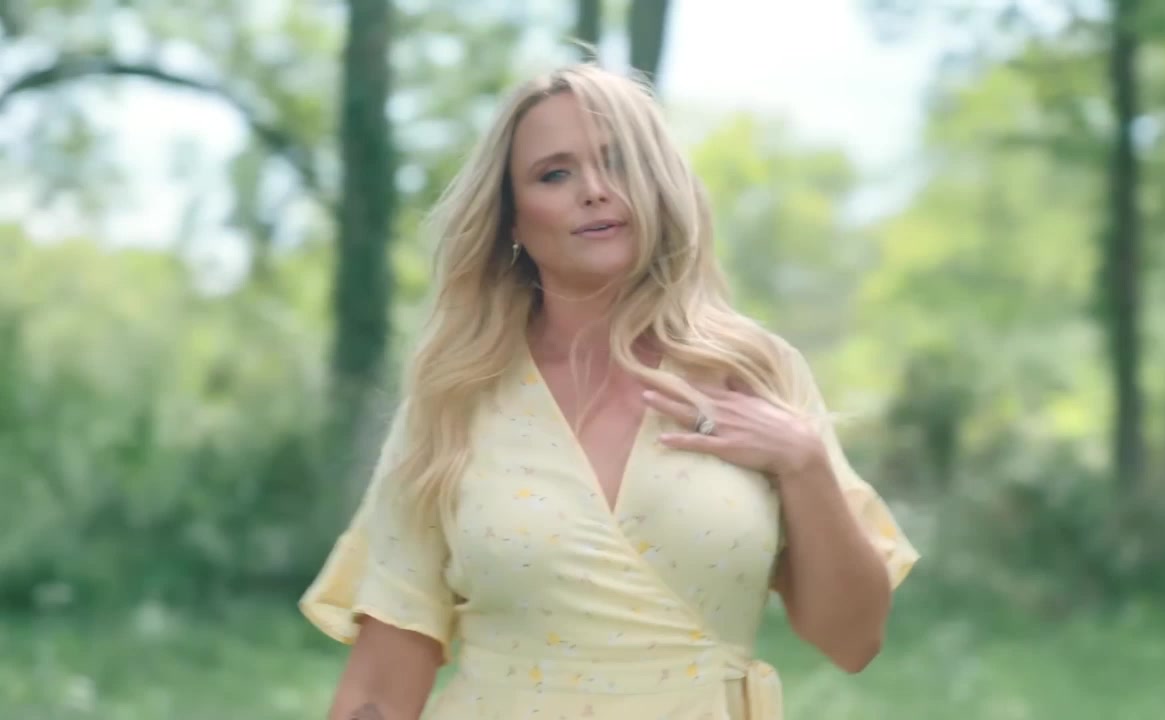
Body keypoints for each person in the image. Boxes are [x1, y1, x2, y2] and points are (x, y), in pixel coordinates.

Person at [299, 62, 919, 720]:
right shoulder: (453, 399)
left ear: (658, 185)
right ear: (511, 220)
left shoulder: (755, 372)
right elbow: (382, 682)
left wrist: (804, 461)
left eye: (618, 162)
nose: (594, 191)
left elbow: (853, 641)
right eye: (554, 174)